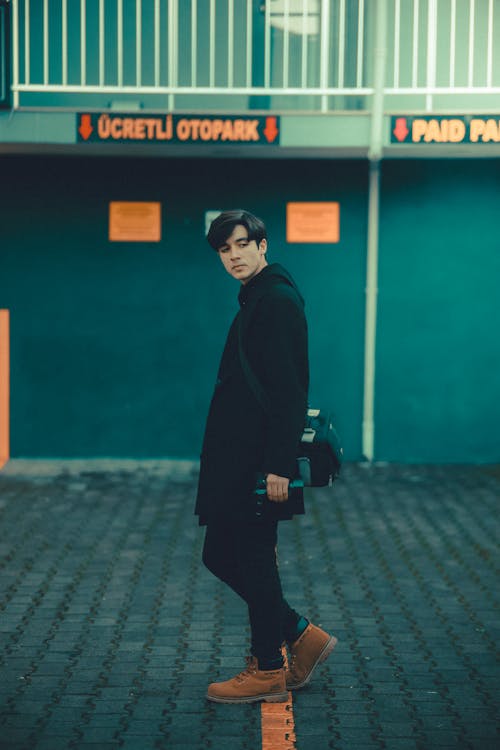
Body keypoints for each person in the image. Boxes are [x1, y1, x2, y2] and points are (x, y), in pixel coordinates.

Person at [195, 209, 337, 704]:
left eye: (240, 245)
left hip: (257, 461)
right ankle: (301, 634)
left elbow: (289, 390)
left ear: (262, 245)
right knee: (220, 553)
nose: (233, 256)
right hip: (240, 457)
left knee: (253, 558)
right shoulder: (258, 296)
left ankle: (269, 669)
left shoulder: (274, 300)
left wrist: (278, 465)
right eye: (224, 249)